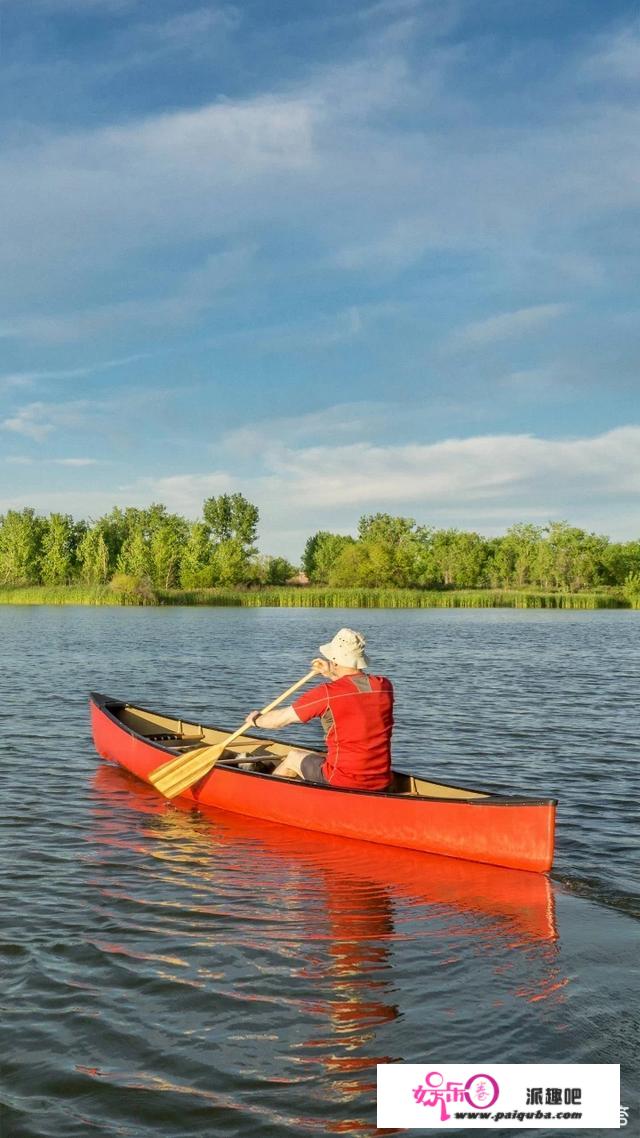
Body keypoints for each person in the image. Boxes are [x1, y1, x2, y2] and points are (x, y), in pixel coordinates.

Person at [243, 628, 393, 791]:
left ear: (335, 660)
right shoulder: (384, 686)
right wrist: (330, 673)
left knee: (293, 757)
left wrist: (256, 720)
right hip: (381, 779)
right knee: (318, 756)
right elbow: (354, 691)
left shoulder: (327, 694)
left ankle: (265, 796)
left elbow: (280, 721)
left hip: (342, 779)